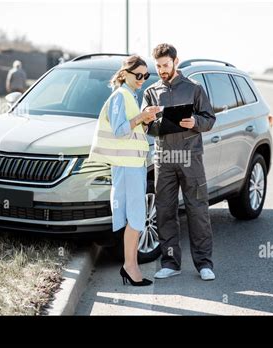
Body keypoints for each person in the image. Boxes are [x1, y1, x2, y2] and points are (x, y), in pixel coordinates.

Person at [142, 44, 217, 281]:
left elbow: (209, 119)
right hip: (164, 158)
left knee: (197, 210)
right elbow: (146, 126)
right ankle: (171, 263)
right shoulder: (151, 92)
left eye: (166, 65)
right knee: (164, 211)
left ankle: (204, 264)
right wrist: (151, 120)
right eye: (158, 66)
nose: (162, 70)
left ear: (176, 61)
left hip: (190, 158)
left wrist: (194, 121)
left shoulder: (194, 89)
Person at [88, 55, 160, 286]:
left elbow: (130, 130)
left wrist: (145, 120)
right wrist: (142, 116)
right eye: (138, 75)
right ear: (124, 74)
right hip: (129, 167)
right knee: (136, 218)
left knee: (135, 217)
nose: (142, 79)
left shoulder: (130, 95)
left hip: (134, 165)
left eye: (145, 75)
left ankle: (130, 266)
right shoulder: (121, 96)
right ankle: (130, 267)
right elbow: (119, 130)